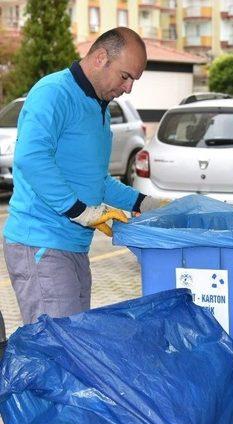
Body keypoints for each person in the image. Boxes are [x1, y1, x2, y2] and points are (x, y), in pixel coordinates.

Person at [3, 27, 165, 325]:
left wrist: (148, 203)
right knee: (60, 351)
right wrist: (79, 211)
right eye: (125, 76)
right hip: (42, 243)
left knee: (76, 343)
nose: (128, 88)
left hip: (74, 246)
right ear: (101, 57)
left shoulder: (98, 109)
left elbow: (97, 182)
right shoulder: (53, 93)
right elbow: (30, 159)